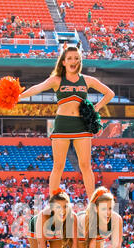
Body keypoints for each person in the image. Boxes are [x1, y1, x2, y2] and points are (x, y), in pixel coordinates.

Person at [18, 45, 114, 199]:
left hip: (82, 125)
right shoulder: (56, 79)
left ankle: (92, 202)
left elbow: (110, 93)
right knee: (58, 166)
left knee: (85, 166)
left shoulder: (87, 80)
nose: (73, 61)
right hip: (62, 124)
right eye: (69, 58)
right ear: (63, 62)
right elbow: (37, 88)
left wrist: (95, 108)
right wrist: (19, 96)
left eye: (76, 58)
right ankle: (53, 202)